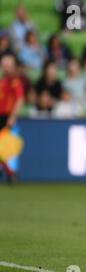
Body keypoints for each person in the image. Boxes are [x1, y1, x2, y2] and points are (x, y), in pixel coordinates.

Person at [0, 55, 24, 183]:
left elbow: (20, 99)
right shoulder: (3, 81)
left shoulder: (15, 81)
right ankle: (9, 173)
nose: (6, 68)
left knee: (6, 147)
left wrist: (13, 116)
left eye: (9, 66)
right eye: (4, 65)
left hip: (7, 117)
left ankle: (11, 173)